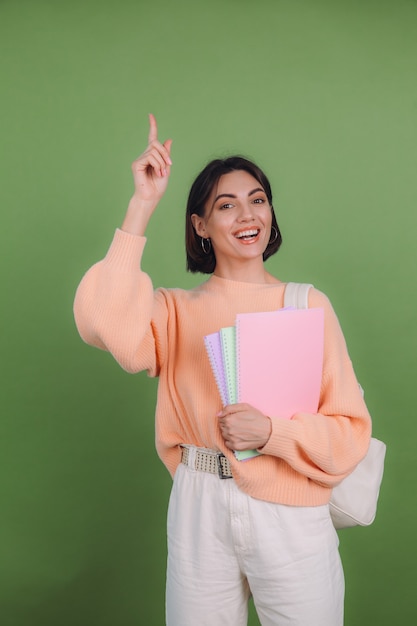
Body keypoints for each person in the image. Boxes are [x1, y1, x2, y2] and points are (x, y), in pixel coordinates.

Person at [74, 114, 372, 626]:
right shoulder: (172, 311)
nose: (246, 215)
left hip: (290, 511)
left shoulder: (305, 305)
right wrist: (142, 205)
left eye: (257, 199)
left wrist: (272, 432)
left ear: (271, 213)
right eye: (225, 205)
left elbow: (351, 432)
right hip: (198, 504)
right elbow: (104, 322)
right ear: (200, 225)